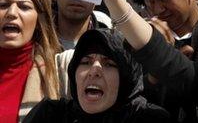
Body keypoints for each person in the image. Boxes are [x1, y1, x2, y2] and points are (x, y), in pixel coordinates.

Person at [23, 28, 170, 122]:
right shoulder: (50, 115)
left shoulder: (150, 118)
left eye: (109, 64)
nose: (94, 71)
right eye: (86, 62)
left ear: (128, 77)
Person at [0, 0, 61, 122]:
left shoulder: (59, 72)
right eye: (3, 5)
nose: (12, 13)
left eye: (24, 6)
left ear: (39, 19)